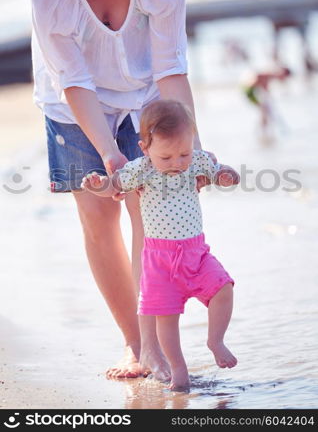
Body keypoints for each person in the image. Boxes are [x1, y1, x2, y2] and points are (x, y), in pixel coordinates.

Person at [30, 0, 215, 379]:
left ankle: (155, 344)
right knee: (98, 220)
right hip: (73, 105)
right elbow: (73, 79)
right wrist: (111, 156)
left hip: (147, 98)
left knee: (148, 215)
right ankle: (135, 344)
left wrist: (194, 149)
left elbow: (171, 65)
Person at [81, 100, 239, 391]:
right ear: (144, 148)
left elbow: (220, 173)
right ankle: (178, 370)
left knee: (223, 288)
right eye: (166, 157)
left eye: (183, 153)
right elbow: (114, 185)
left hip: (197, 254)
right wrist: (98, 185)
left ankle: (215, 341)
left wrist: (228, 176)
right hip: (159, 261)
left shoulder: (196, 161)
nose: (177, 163)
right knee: (166, 321)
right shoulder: (140, 170)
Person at [242, 66, 291, 141]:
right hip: (250, 92)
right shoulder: (270, 74)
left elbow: (264, 87)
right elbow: (258, 78)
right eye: (284, 77)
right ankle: (260, 132)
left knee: (265, 112)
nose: (283, 79)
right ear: (283, 73)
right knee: (264, 112)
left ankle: (262, 132)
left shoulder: (271, 75)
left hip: (252, 91)